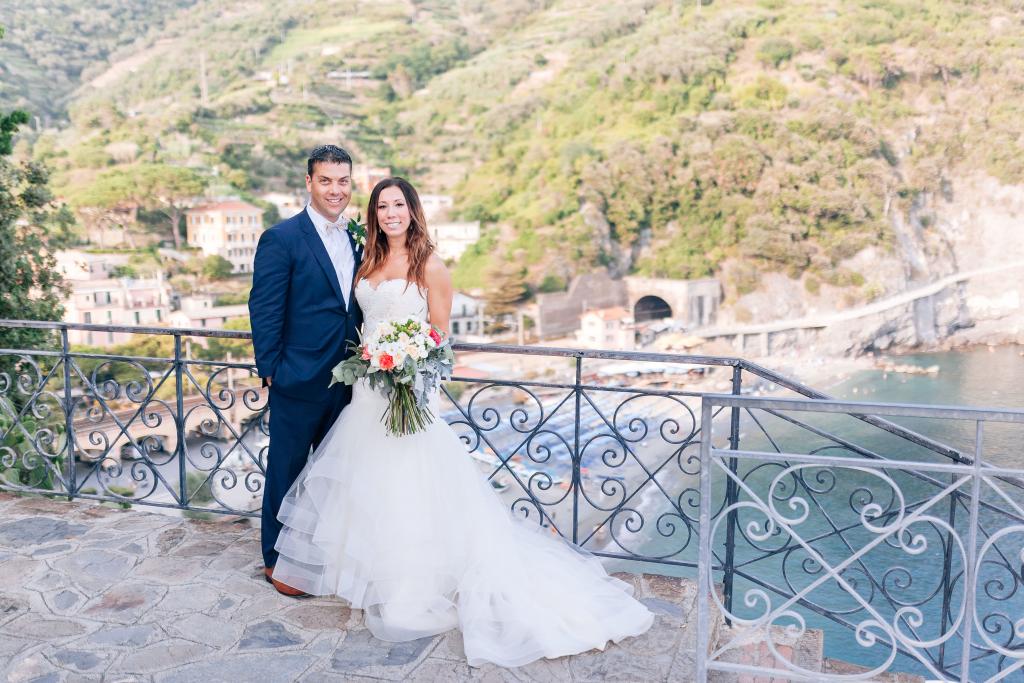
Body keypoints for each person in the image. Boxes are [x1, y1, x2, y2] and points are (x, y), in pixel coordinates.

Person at [271, 177, 654, 667]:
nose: (391, 213)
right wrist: (376, 359)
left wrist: (408, 367)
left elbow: (439, 340)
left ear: (413, 211)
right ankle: (366, 575)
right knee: (367, 485)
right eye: (383, 205)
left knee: (410, 487)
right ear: (374, 213)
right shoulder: (365, 259)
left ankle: (412, 582)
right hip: (366, 391)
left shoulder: (430, 264)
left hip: (405, 393)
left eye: (399, 205)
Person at [248, 145, 362, 596]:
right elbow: (264, 306)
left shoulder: (357, 237)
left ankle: (324, 553)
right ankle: (277, 561)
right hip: (297, 377)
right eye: (326, 181)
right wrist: (272, 368)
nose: (336, 190)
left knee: (336, 472)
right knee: (288, 469)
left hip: (350, 379)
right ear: (309, 183)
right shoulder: (282, 237)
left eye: (343, 181)